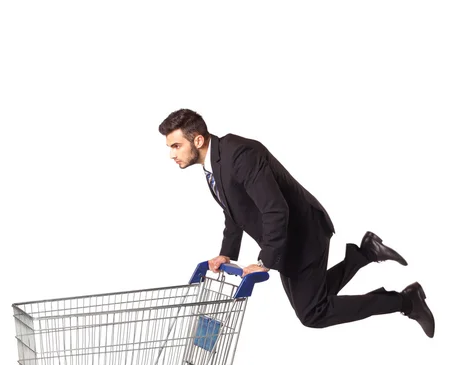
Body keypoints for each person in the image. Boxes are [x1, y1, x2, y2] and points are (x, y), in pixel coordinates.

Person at [159, 108, 435, 338]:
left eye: (176, 146)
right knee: (313, 299)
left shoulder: (239, 155)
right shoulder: (214, 165)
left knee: (313, 313)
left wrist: (264, 261)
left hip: (305, 234)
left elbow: (275, 209)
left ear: (197, 141)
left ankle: (406, 300)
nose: (172, 154)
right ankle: (364, 253)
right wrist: (227, 253)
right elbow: (235, 211)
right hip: (289, 242)